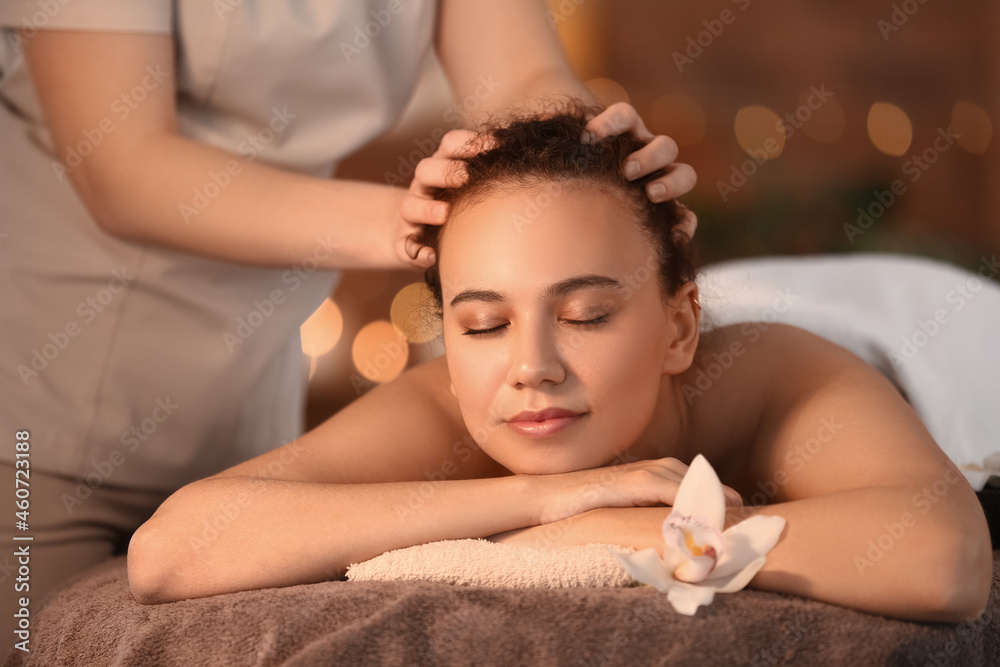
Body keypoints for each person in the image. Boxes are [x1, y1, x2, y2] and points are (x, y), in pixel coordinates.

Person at [126, 99, 993, 624]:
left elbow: (943, 559)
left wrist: (598, 531)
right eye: (482, 322)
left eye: (585, 314)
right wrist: (544, 498)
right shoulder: (458, 399)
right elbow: (169, 552)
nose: (530, 365)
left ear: (680, 331)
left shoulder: (774, 372)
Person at [0, 1, 696, 656]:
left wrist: (595, 165)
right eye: (483, 321)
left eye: (585, 314)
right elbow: (123, 167)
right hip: (47, 405)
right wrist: (419, 223)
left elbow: (518, 79)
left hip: (245, 392)